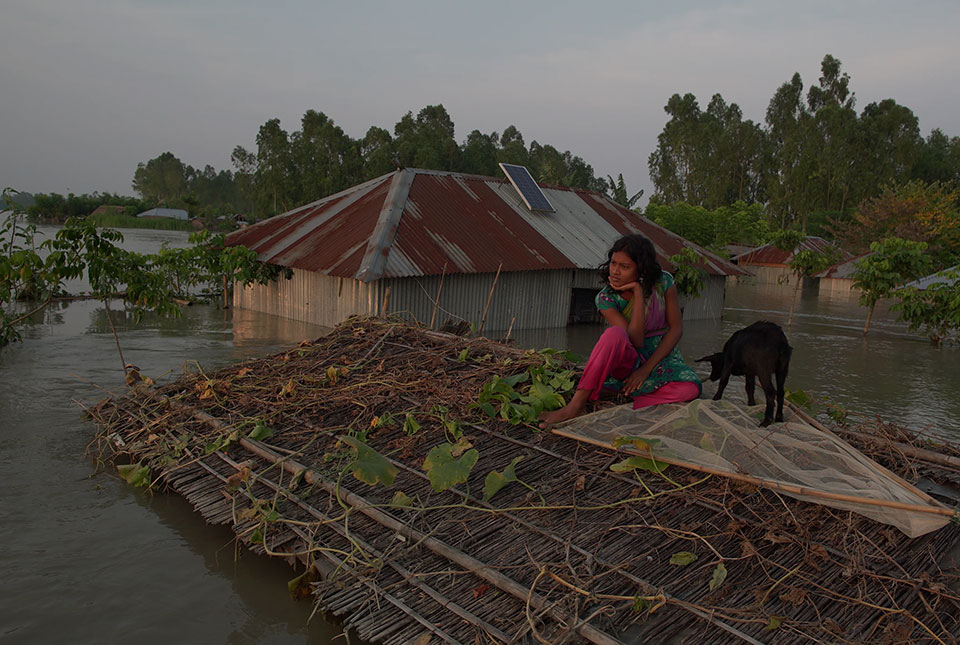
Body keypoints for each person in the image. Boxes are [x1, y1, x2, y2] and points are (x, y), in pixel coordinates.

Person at [538, 233, 701, 429]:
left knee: (690, 389)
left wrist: (646, 370)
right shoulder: (606, 298)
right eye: (614, 263)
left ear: (642, 269)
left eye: (625, 267)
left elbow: (676, 329)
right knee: (614, 334)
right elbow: (636, 340)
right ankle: (576, 405)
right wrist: (638, 294)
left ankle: (627, 393)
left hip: (660, 357)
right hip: (628, 357)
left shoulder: (664, 282)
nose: (615, 271)